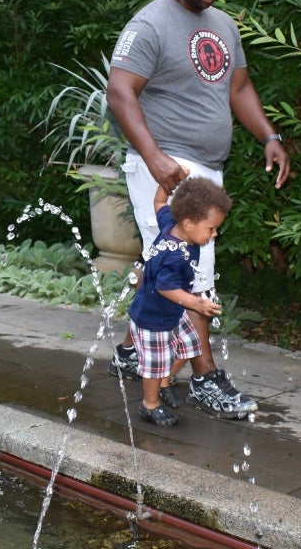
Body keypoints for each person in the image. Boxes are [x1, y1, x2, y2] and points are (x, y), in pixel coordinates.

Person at [106, 0, 290, 418]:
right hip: (166, 167)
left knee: (163, 259)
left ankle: (132, 350)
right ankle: (205, 377)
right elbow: (120, 92)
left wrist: (270, 137)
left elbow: (240, 88)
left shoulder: (224, 26)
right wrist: (154, 158)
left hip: (208, 169)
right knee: (190, 269)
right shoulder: (149, 24)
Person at [130, 175, 232, 427]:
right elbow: (165, 287)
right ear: (188, 223)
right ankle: (150, 405)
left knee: (190, 347)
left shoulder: (172, 225)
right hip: (152, 318)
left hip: (172, 311)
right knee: (155, 365)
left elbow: (158, 204)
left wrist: (167, 184)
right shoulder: (175, 255)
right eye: (211, 228)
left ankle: (164, 383)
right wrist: (196, 303)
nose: (215, 234)